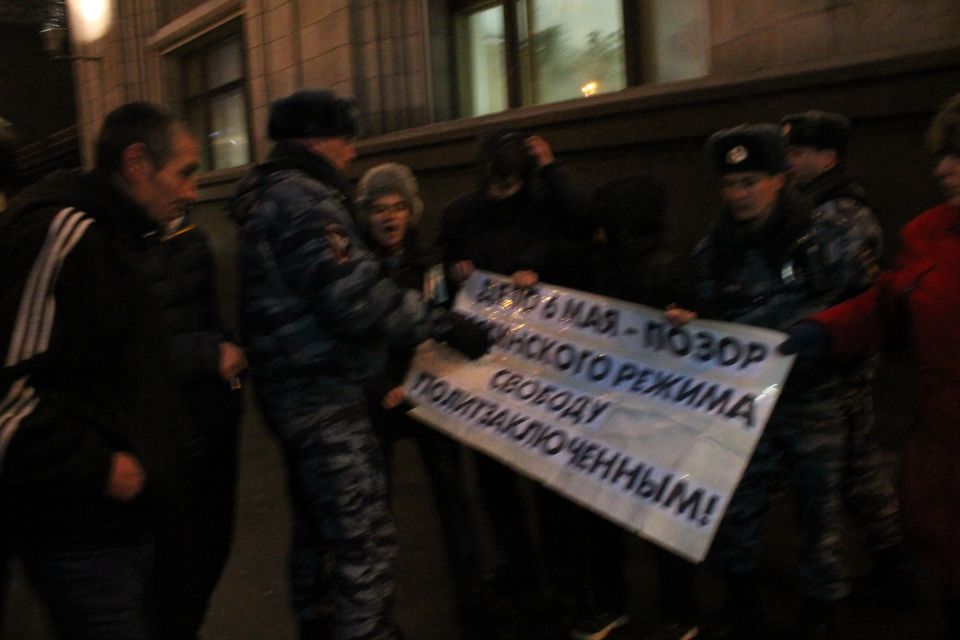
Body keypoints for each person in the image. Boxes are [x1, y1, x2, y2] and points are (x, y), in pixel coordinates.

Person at [228, 88, 485, 640]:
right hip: (322, 395)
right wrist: (440, 323)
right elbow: (355, 299)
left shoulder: (273, 196)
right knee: (361, 535)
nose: (352, 152)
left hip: (293, 390)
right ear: (317, 140)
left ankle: (320, 621)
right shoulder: (306, 201)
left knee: (316, 525)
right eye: (346, 139)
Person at [0, 102, 206, 639]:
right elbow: (8, 397)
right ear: (137, 164)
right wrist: (99, 468)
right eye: (184, 172)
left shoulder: (121, 235)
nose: (193, 192)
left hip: (125, 528)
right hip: (81, 536)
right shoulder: (63, 232)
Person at [667, 124, 877, 638]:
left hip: (814, 398)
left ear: (780, 179)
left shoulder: (827, 237)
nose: (739, 195)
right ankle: (742, 607)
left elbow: (866, 307)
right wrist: (691, 324)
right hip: (748, 402)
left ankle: (820, 612)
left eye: (750, 182)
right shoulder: (714, 250)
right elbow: (714, 319)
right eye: (729, 184)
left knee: (819, 513)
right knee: (737, 508)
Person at [780, 93, 960, 639]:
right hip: (944, 444)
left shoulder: (842, 213)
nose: (943, 169)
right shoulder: (930, 234)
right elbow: (887, 304)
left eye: (958, 155)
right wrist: (822, 329)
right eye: (944, 154)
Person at [438, 129, 594, 634]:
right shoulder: (464, 215)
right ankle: (519, 565)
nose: (497, 194)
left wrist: (552, 168)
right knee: (495, 479)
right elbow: (444, 265)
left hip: (541, 365)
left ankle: (563, 575)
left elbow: (584, 223)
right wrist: (457, 273)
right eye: (491, 185)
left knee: (547, 476)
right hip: (489, 366)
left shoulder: (544, 207)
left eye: (507, 184)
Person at [782, 110, 917, 598]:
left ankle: (840, 581)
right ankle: (895, 565)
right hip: (835, 357)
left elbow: (823, 292)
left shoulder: (838, 215)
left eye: (798, 152)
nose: (788, 161)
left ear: (828, 157)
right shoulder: (814, 206)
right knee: (857, 468)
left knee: (831, 475)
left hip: (835, 363)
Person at [356, 162, 488, 638]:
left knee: (454, 501)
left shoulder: (431, 263)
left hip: (430, 396)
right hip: (381, 399)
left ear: (411, 212)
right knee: (373, 514)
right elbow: (355, 336)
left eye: (398, 207)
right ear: (366, 215)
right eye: (379, 208)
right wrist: (379, 386)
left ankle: (473, 606)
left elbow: (445, 315)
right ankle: (374, 614)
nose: (390, 217)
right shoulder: (355, 268)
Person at [578, 174, 696, 640]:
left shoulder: (669, 266)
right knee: (601, 512)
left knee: (662, 512)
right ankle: (613, 603)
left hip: (657, 411)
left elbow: (706, 336)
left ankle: (679, 611)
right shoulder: (601, 264)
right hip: (611, 406)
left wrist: (690, 321)